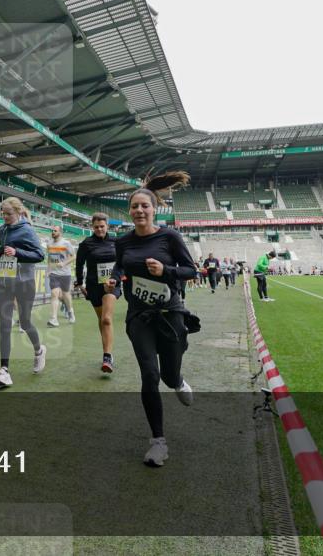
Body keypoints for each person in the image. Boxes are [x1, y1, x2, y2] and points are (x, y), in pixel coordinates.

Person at [106, 172, 197, 467]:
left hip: (170, 313)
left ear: (154, 208)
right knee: (149, 375)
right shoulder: (123, 241)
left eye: (144, 206)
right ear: (130, 211)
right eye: (134, 207)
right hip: (139, 316)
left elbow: (190, 271)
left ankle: (179, 380)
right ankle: (158, 442)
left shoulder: (169, 236)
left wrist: (165, 272)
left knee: (168, 377)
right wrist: (115, 283)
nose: (139, 211)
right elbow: (119, 269)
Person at [0, 197, 46, 388]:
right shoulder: (2, 229)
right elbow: (3, 247)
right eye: (3, 214)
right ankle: (4, 370)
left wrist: (17, 253)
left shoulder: (28, 230)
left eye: (8, 214)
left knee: (25, 321)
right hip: (5, 280)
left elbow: (39, 255)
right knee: (4, 325)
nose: (5, 217)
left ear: (18, 212)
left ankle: (39, 350)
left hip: (25, 282)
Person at [75, 213, 120, 373]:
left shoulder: (116, 241)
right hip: (94, 286)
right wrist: (80, 283)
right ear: (92, 227)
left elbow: (122, 261)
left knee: (107, 319)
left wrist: (120, 277)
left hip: (112, 285)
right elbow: (79, 264)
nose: (100, 229)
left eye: (102, 226)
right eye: (96, 227)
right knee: (102, 320)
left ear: (107, 226)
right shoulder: (86, 244)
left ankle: (107, 356)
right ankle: (106, 352)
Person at [46, 225, 76, 327]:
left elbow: (73, 256)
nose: (53, 232)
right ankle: (54, 319)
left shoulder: (66, 243)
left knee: (66, 295)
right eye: (52, 230)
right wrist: (48, 270)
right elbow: (49, 258)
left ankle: (70, 311)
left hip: (65, 273)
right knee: (54, 294)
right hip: (54, 273)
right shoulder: (49, 244)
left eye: (55, 230)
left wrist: (64, 263)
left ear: (60, 232)